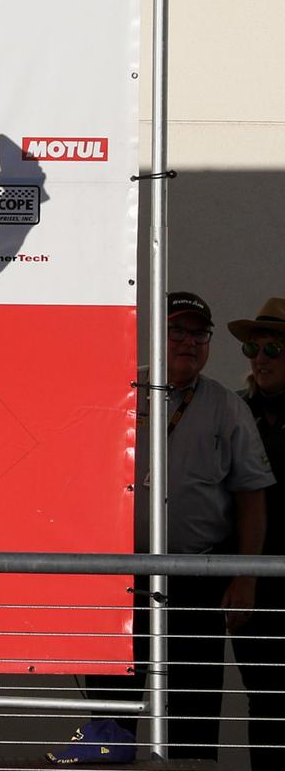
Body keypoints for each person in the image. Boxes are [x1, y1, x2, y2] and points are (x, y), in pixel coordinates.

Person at [49, 292, 273, 765]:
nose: (188, 342)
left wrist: (246, 576)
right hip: (122, 578)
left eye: (198, 334)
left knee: (194, 705)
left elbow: (252, 495)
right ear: (155, 334)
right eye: (177, 331)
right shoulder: (120, 392)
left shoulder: (228, 407)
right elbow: (75, 476)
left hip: (195, 577)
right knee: (113, 709)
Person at [229, 297, 285, 770]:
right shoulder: (237, 410)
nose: (260, 359)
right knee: (266, 701)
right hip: (254, 585)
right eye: (253, 348)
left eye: (273, 349)